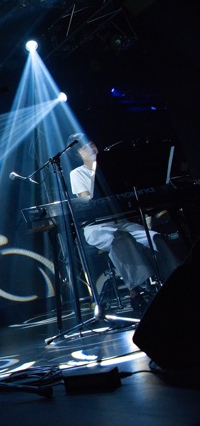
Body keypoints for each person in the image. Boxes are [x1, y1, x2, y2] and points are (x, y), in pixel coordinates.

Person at [68, 133, 175, 314]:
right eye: (85, 146)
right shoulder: (77, 173)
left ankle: (174, 281)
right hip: (96, 225)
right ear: (78, 153)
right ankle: (136, 292)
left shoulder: (112, 170)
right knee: (121, 238)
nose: (91, 148)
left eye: (92, 143)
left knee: (155, 237)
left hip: (121, 221)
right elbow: (88, 202)